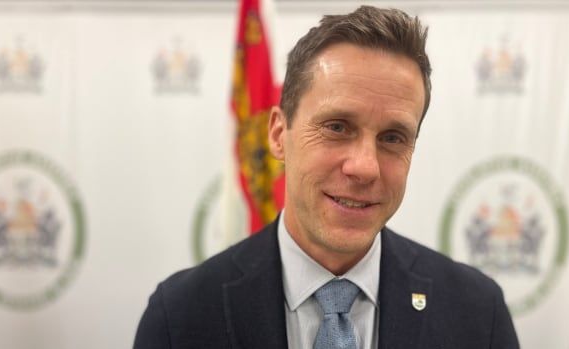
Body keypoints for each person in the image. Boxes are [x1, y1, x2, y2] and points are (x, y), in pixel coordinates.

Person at [134, 6, 519, 349]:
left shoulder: (477, 313)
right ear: (278, 135)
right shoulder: (180, 316)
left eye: (392, 138)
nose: (365, 167)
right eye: (337, 127)